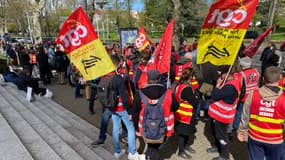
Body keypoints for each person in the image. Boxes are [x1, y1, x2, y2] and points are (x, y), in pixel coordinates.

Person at [238, 66, 285, 160]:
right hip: (275, 139)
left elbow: (245, 115)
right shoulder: (283, 99)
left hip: (255, 136)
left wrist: (242, 131)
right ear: (280, 78)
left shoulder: (253, 94)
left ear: (263, 79)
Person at [136, 69, 174, 160]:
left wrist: (135, 127)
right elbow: (175, 106)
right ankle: (151, 155)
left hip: (146, 127)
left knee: (150, 145)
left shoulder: (140, 93)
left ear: (147, 78)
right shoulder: (168, 92)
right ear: (159, 78)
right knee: (156, 148)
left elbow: (135, 110)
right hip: (164, 126)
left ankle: (148, 155)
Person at [108, 55, 139, 160]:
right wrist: (130, 112)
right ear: (118, 64)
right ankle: (132, 152)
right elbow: (125, 98)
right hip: (122, 107)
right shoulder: (118, 78)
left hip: (112, 107)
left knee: (116, 128)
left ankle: (117, 151)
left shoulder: (106, 76)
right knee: (130, 128)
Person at [207, 66, 240, 160]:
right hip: (217, 114)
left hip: (222, 116)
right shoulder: (231, 81)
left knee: (222, 136)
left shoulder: (230, 87)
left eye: (221, 72)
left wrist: (217, 85)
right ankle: (217, 147)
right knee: (216, 133)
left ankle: (224, 155)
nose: (219, 74)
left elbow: (214, 95)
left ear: (227, 73)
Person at [174, 67, 198, 160]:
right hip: (185, 115)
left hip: (180, 113)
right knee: (183, 134)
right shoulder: (187, 89)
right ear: (190, 76)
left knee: (186, 132)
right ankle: (181, 151)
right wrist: (196, 96)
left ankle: (186, 146)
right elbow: (195, 103)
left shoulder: (180, 85)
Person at [233, 56, 260, 130]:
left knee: (239, 112)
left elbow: (238, 86)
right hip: (254, 96)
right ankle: (249, 126)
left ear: (242, 66)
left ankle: (236, 126)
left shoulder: (241, 74)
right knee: (251, 112)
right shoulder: (256, 71)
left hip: (244, 98)